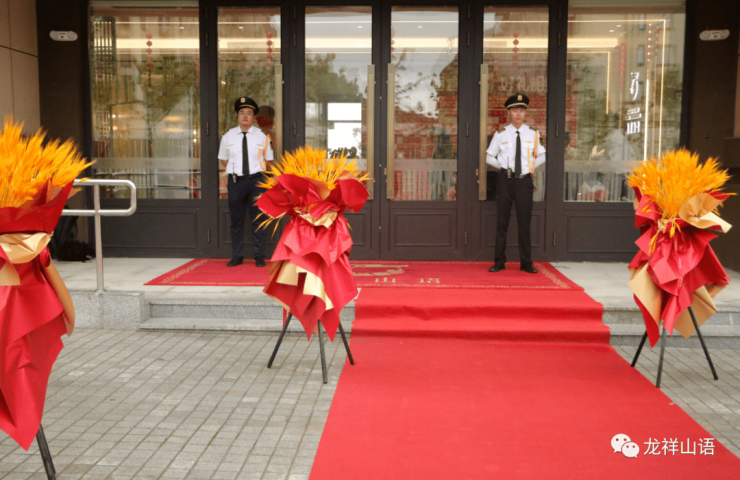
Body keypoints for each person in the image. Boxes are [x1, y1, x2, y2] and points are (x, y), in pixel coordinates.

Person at [485, 93, 546, 274]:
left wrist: (529, 168)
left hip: (524, 181)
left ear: (525, 113)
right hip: (505, 180)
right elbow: (489, 156)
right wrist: (503, 167)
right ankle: (499, 261)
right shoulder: (501, 134)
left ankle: (526, 263)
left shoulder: (533, 133)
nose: (518, 114)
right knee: (502, 222)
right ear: (509, 113)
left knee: (524, 223)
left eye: (521, 110)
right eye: (514, 111)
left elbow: (542, 155)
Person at [218, 97, 274, 267]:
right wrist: (237, 170)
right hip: (236, 182)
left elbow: (268, 160)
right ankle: (237, 256)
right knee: (236, 220)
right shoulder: (228, 136)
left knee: (258, 219)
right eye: (242, 112)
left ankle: (259, 255)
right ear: (237, 115)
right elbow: (224, 159)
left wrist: (254, 170)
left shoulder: (262, 136)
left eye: (249, 113)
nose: (245, 116)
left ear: (253, 117)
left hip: (256, 181)